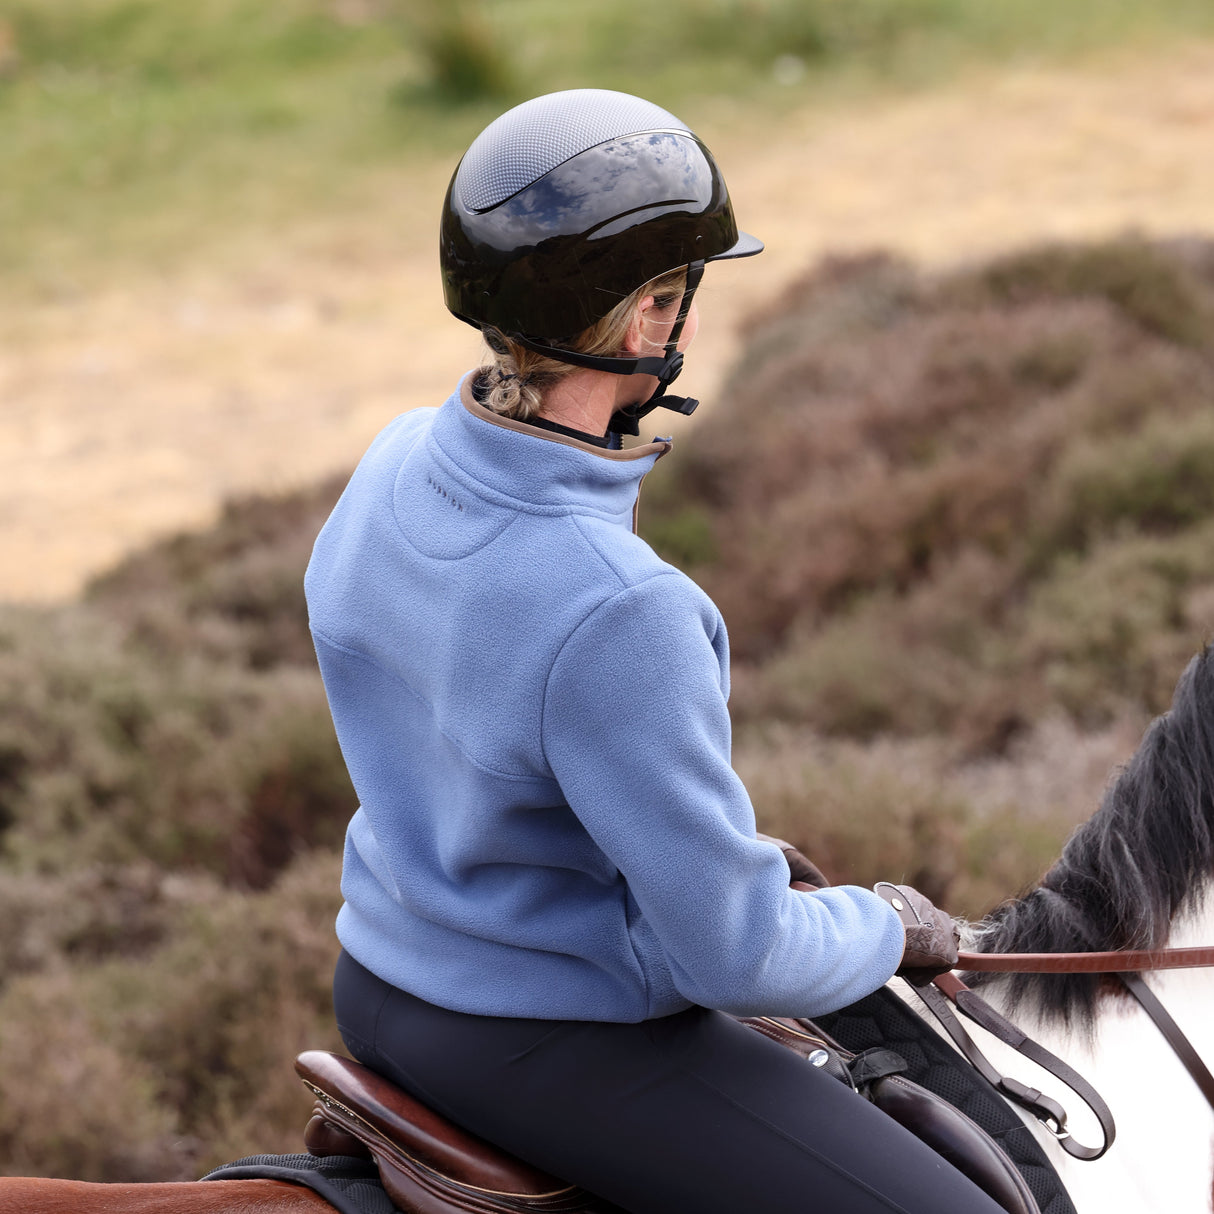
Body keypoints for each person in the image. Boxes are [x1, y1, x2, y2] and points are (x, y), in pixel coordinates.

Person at [305, 89, 995, 1214]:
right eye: (680, 293)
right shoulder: (618, 606)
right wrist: (887, 927)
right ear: (644, 317)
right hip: (546, 1037)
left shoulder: (391, 461)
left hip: (381, 974)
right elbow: (731, 952)